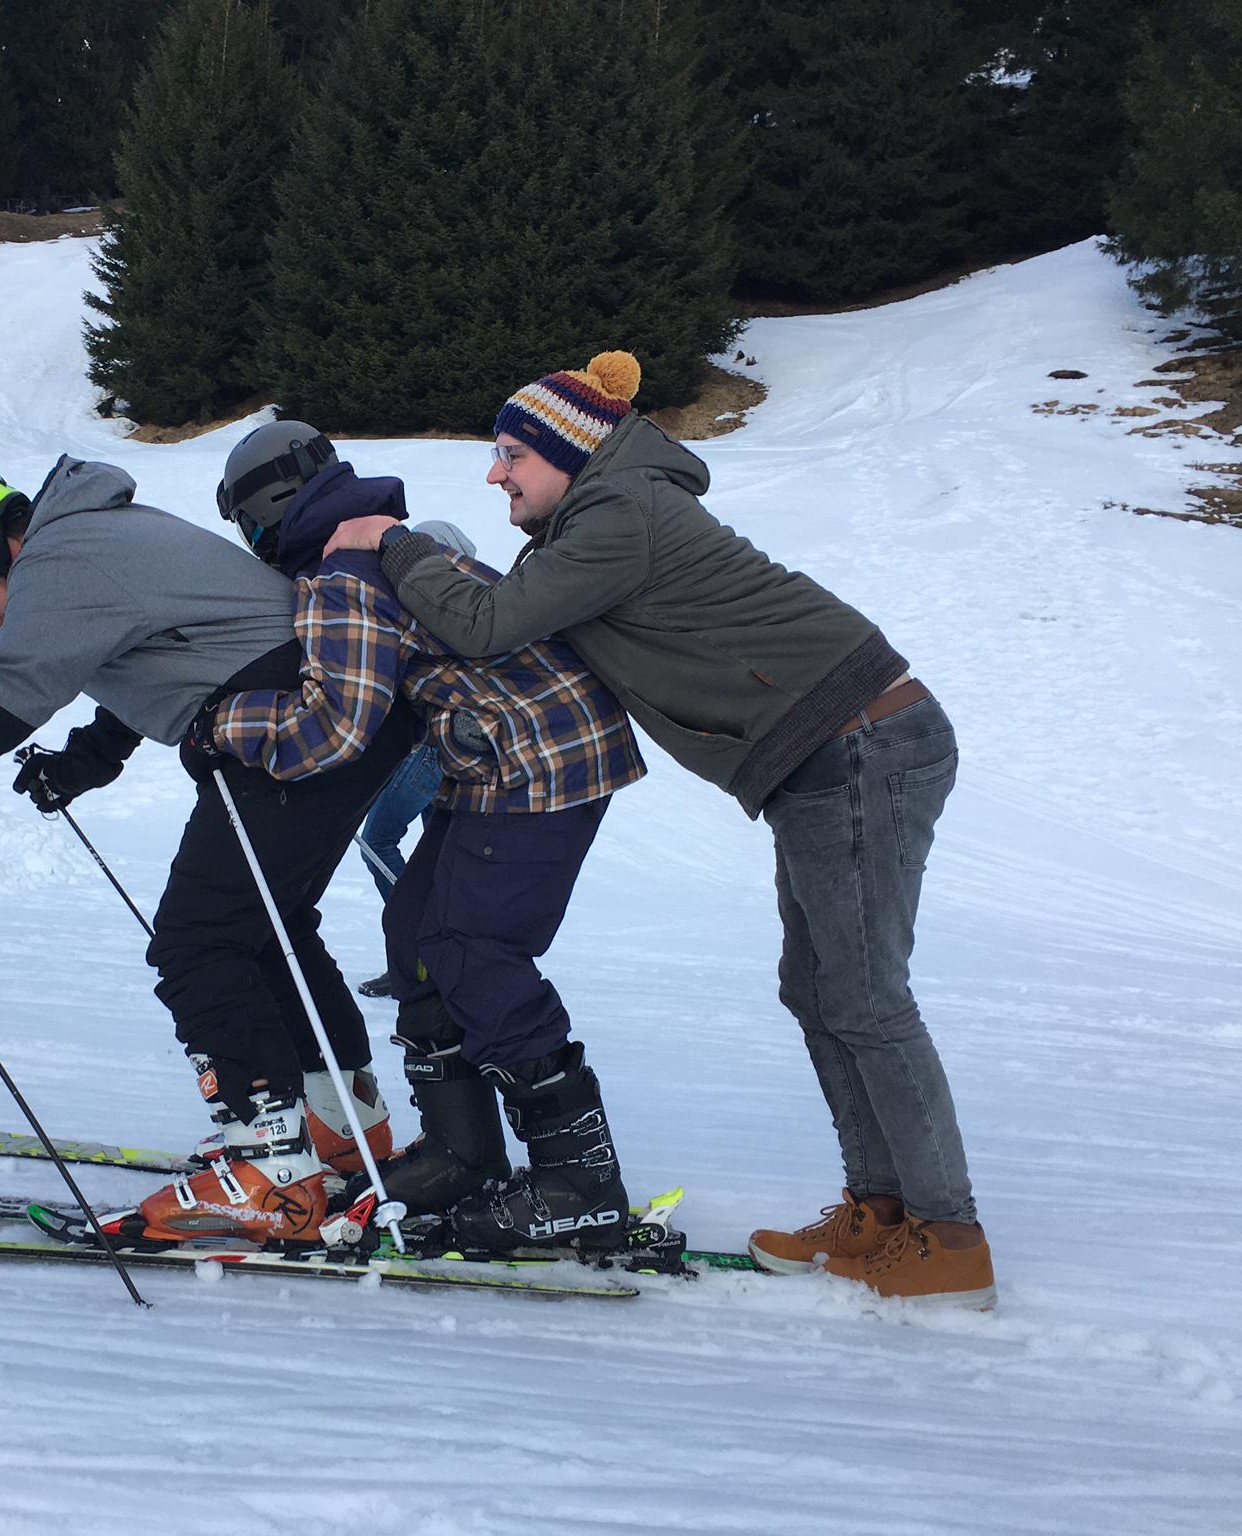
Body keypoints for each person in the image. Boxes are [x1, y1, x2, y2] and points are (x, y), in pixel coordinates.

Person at [324, 351, 993, 1306]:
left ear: (565, 450)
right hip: (819, 756)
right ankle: (881, 1210)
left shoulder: (618, 515)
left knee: (865, 996)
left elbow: (488, 623)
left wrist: (393, 545)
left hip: (861, 743)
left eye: (510, 452)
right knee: (816, 988)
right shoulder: (596, 518)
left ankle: (950, 1233)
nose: (494, 473)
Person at [0, 461, 409, 1248]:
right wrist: (85, 760)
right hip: (335, 709)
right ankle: (339, 1130)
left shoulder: (58, 555)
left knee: (199, 942)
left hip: (293, 718)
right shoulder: (94, 542)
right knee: (267, 930)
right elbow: (162, 652)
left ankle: (269, 1170)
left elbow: (2, 702)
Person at [200, 420, 646, 1252]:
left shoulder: (342, 573)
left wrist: (223, 722)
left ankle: (577, 1181)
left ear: (264, 512)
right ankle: (462, 1152)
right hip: (517, 756)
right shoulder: (376, 542)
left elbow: (331, 729)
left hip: (536, 765)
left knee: (474, 950)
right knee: (413, 933)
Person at [351, 519, 477, 999]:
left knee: (376, 841)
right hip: (439, 749)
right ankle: (433, 958)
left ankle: (416, 949)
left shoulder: (435, 615)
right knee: (436, 859)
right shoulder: (463, 611)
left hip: (428, 751)